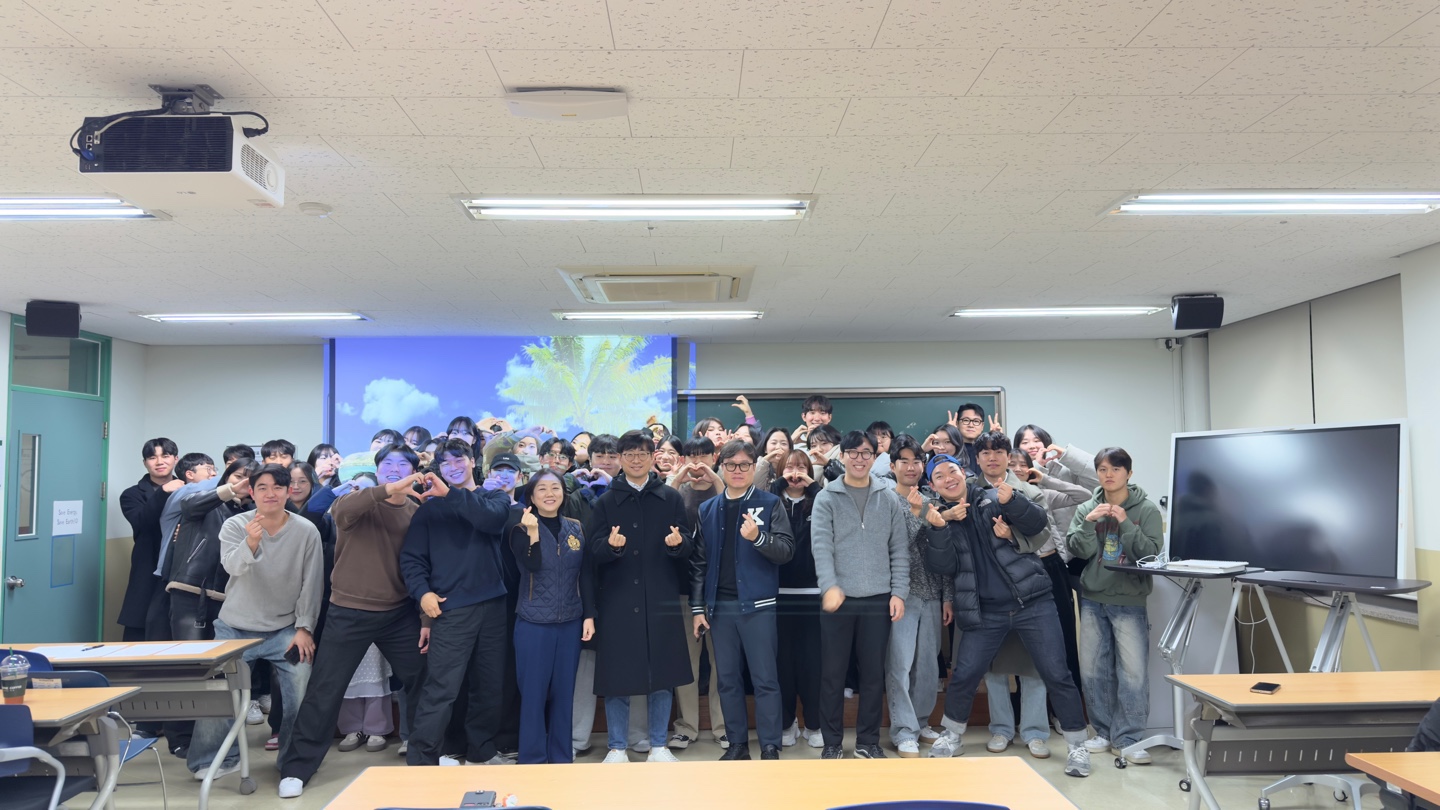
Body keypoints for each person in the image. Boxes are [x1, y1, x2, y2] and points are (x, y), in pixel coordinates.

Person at [921, 437, 1092, 779]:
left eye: (952, 471)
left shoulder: (991, 498)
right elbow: (942, 566)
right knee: (965, 674)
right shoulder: (938, 519)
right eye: (939, 476)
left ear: (964, 472)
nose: (948, 478)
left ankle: (1077, 745)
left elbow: (1037, 525)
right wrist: (940, 528)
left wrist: (1013, 501)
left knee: (1056, 673)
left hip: (1032, 602)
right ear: (933, 486)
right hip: (985, 612)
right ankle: (951, 735)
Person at [278, 444, 431, 799]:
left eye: (403, 464)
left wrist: (425, 617)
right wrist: (385, 490)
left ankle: (428, 752)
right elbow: (343, 512)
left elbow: (422, 565)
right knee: (325, 689)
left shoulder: (415, 512)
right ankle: (297, 768)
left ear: (414, 470)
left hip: (398, 613)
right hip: (348, 610)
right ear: (378, 470)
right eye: (388, 463)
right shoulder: (356, 501)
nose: (395, 468)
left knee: (425, 679)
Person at [187, 464, 322, 779]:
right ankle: (215, 759)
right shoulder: (236, 524)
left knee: (300, 687)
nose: (270, 493)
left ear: (288, 492)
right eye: (262, 487)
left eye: (278, 487)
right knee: (219, 690)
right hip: (234, 627)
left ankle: (293, 761)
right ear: (251, 492)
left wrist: (304, 628)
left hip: (285, 629)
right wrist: (250, 542)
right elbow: (231, 568)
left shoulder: (306, 531)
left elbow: (312, 583)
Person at [400, 439, 516, 767]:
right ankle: (422, 761)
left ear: (473, 461)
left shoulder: (493, 498)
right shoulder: (428, 510)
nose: (453, 467)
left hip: (494, 605)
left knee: (489, 686)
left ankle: (481, 752)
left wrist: (450, 494)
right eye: (446, 462)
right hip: (450, 608)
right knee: (441, 688)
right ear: (438, 467)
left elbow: (491, 520)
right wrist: (422, 593)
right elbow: (412, 559)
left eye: (459, 459)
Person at [587, 430, 696, 764]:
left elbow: (688, 546)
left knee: (662, 674)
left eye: (643, 454)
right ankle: (617, 747)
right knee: (617, 677)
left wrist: (679, 545)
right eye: (630, 454)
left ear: (653, 458)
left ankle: (659, 746)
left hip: (660, 598)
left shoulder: (670, 497)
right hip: (618, 600)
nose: (636, 460)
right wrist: (610, 547)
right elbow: (592, 553)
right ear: (620, 459)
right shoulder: (605, 501)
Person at [691, 440, 795, 761]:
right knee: (727, 680)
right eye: (731, 465)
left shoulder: (769, 503)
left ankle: (769, 745)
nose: (738, 470)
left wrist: (758, 538)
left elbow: (786, 550)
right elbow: (699, 563)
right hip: (720, 609)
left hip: (758, 607)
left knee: (765, 679)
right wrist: (698, 609)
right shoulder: (708, 509)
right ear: (721, 466)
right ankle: (737, 744)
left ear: (753, 467)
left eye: (745, 465)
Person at [811, 430, 909, 759]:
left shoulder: (889, 497)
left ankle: (868, 742)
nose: (859, 458)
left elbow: (899, 549)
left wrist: (899, 593)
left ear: (874, 456)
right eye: (852, 452)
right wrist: (829, 586)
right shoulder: (826, 497)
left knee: (872, 675)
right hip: (838, 599)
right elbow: (821, 548)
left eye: (866, 452)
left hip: (879, 599)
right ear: (842, 457)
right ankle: (832, 743)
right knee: (832, 674)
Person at [1066, 447, 1163, 765]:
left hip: (1129, 600)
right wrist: (1088, 523)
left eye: (1116, 469)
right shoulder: (1087, 508)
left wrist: (1125, 523)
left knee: (1132, 673)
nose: (1109, 475)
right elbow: (1077, 550)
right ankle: (1104, 732)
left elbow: (1150, 555)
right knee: (1093, 671)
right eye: (1103, 469)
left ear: (1129, 473)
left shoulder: (1146, 509)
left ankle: (1130, 739)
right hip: (1093, 599)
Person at [509, 470, 592, 764]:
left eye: (555, 488)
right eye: (542, 489)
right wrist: (532, 533)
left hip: (570, 622)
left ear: (563, 494)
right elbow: (530, 565)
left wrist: (589, 615)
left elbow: (585, 574)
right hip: (533, 624)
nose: (549, 494)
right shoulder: (520, 529)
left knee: (564, 695)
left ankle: (561, 758)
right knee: (533, 696)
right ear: (531, 496)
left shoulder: (576, 528)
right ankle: (532, 759)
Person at [884, 435, 953, 758]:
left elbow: (944, 551)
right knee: (899, 664)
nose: (911, 467)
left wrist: (948, 595)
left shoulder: (931, 499)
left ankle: (921, 721)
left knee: (927, 666)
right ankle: (903, 730)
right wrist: (918, 515)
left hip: (933, 593)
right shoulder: (885, 501)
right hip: (902, 594)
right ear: (892, 466)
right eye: (904, 461)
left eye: (917, 461)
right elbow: (896, 545)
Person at [667, 435, 728, 751]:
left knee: (721, 662)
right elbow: (663, 510)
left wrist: (715, 477)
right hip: (682, 588)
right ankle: (686, 727)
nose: (697, 462)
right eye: (691, 456)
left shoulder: (723, 487)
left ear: (714, 457)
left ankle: (723, 726)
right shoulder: (677, 491)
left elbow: (731, 507)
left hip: (719, 589)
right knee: (687, 662)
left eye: (704, 455)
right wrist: (678, 478)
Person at [772, 448, 822, 749]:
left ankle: (814, 724)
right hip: (777, 594)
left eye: (802, 467)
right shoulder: (771, 501)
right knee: (783, 665)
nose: (795, 473)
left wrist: (812, 487)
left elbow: (832, 507)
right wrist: (778, 484)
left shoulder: (820, 501)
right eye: (789, 467)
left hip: (813, 593)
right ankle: (787, 722)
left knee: (813, 664)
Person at [119, 438, 182, 642]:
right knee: (141, 627)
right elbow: (142, 521)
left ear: (175, 459)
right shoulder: (131, 494)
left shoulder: (189, 488)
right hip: (149, 565)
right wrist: (163, 492)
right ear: (145, 462)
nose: (159, 462)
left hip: (182, 565)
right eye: (152, 457)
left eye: (165, 456)